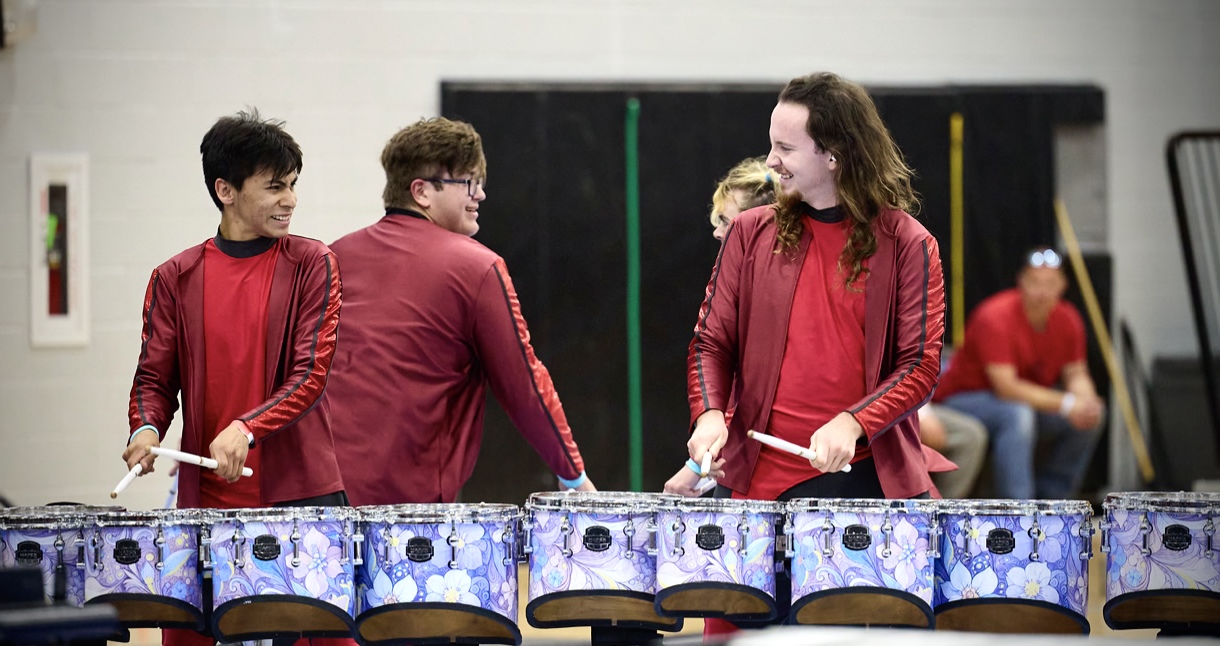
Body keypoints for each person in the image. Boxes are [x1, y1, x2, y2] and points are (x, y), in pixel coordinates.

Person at [664, 72, 946, 630]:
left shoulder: (909, 243)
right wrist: (711, 413)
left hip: (860, 485)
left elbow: (919, 364)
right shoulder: (749, 233)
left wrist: (854, 421)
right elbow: (711, 342)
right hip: (755, 488)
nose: (771, 162)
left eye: (785, 148)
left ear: (835, 153)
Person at [121, 109, 347, 646]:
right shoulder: (175, 278)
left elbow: (309, 374)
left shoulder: (314, 264)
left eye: (292, 185)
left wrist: (246, 427)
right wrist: (144, 430)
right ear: (225, 189)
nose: (289, 199)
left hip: (301, 497)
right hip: (206, 503)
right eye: (274, 187)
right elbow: (154, 379)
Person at [314, 116, 595, 505]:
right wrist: (573, 474)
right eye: (467, 182)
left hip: (319, 496)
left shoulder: (333, 256)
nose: (479, 195)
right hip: (410, 517)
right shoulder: (477, 267)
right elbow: (523, 383)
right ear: (421, 192)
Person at [934, 247, 1104, 500]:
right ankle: (1019, 509)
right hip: (962, 399)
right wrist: (1068, 403)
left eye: (1050, 283)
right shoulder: (995, 316)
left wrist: (1085, 401)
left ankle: (1053, 503)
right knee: (1017, 415)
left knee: (1092, 415)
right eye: (1035, 282)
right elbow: (1007, 387)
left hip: (1024, 399)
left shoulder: (1068, 319)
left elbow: (1075, 372)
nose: (1042, 291)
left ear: (1063, 285)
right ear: (1021, 282)